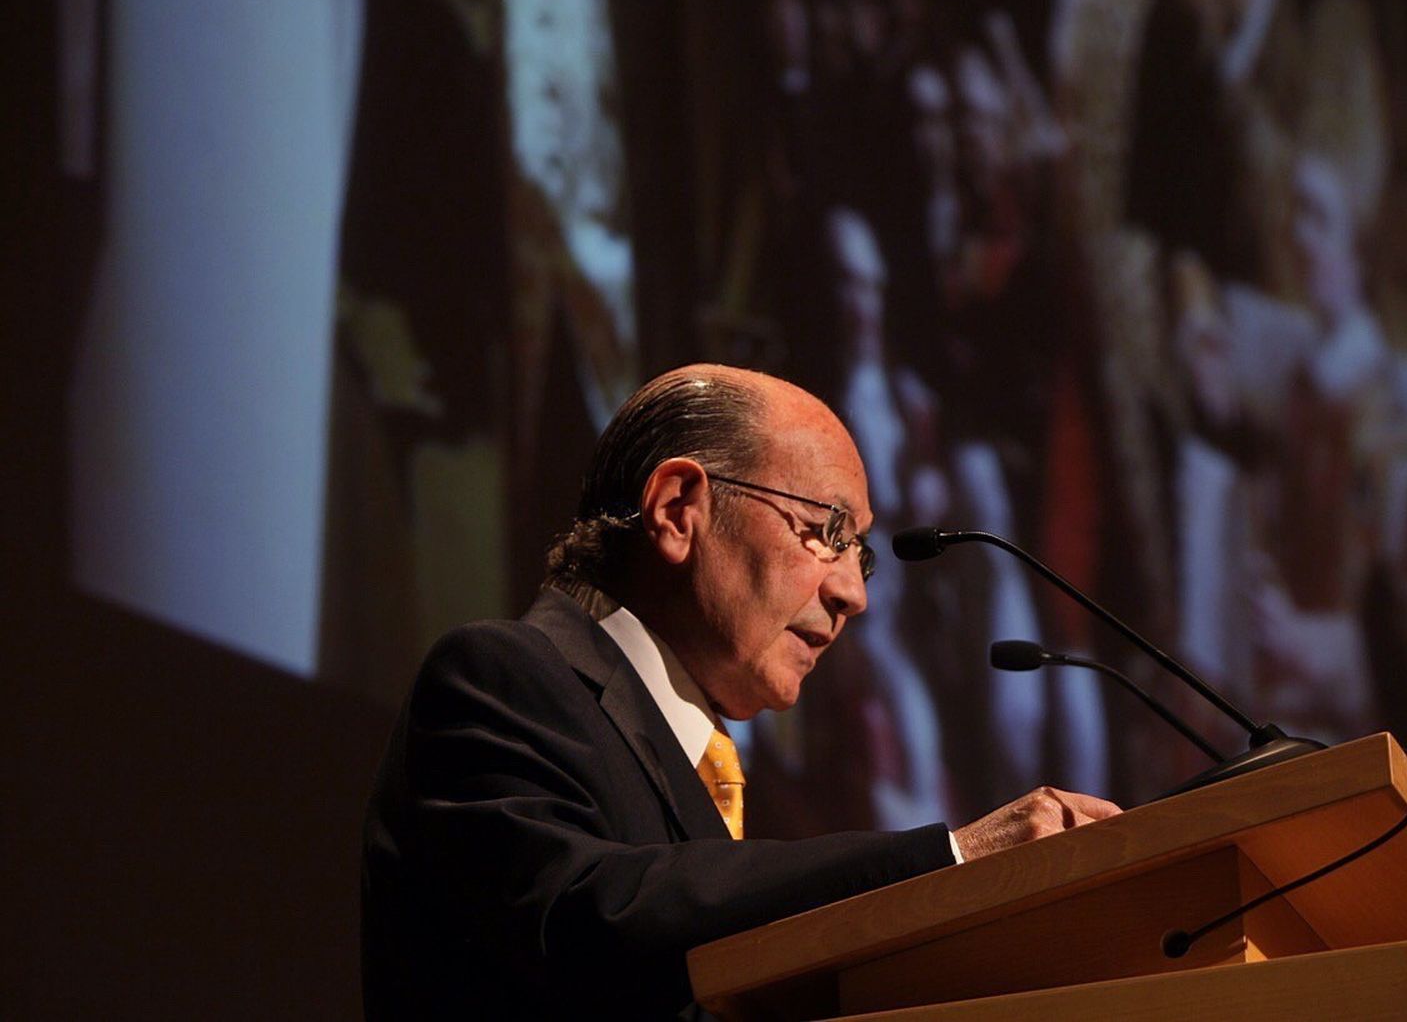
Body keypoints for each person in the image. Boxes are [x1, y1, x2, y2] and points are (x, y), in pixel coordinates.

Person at [361, 364, 1121, 1019]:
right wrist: (952, 860)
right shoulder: (501, 677)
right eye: (826, 530)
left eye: (861, 553)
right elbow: (588, 915)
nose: (853, 593)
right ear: (676, 510)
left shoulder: (724, 776)